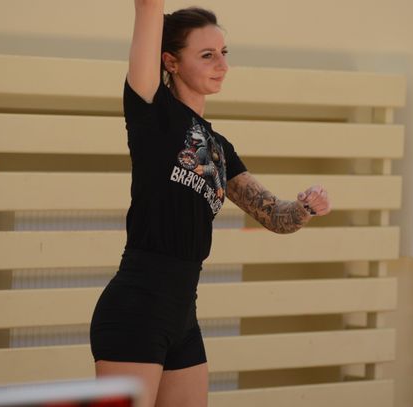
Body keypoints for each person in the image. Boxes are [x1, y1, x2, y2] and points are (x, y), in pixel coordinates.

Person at [89, 2, 332, 406]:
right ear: (170, 62)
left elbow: (275, 216)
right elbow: (148, 7)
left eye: (223, 53)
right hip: (137, 310)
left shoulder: (218, 148)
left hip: (183, 316)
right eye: (207, 55)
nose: (222, 65)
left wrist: (305, 207)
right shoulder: (152, 112)